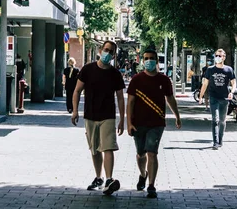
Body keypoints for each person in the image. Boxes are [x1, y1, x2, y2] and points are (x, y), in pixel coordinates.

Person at [72, 41, 125, 195]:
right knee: (95, 149)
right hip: (90, 115)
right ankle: (99, 177)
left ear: (114, 55)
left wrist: (122, 119)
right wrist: (75, 111)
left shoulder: (115, 74)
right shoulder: (88, 69)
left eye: (111, 52)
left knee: (108, 147)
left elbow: (121, 98)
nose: (108, 53)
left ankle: (109, 179)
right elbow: (77, 91)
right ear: (101, 50)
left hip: (108, 116)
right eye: (106, 50)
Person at [127, 48, 181, 198]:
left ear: (157, 61)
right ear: (142, 61)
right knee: (140, 154)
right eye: (146, 58)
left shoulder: (164, 80)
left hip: (156, 123)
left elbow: (170, 99)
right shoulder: (136, 79)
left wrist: (177, 116)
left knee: (152, 152)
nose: (149, 61)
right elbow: (130, 102)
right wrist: (128, 123)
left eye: (152, 58)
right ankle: (143, 174)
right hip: (138, 122)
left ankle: (151, 185)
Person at [198, 49, 236, 149]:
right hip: (213, 97)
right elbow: (205, 84)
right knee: (215, 120)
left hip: (224, 98)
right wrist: (200, 97)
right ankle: (215, 142)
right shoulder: (210, 70)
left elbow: (233, 83)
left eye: (220, 56)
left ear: (224, 57)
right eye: (216, 55)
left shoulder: (229, 70)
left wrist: (231, 92)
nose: (218, 57)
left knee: (222, 121)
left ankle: (220, 140)